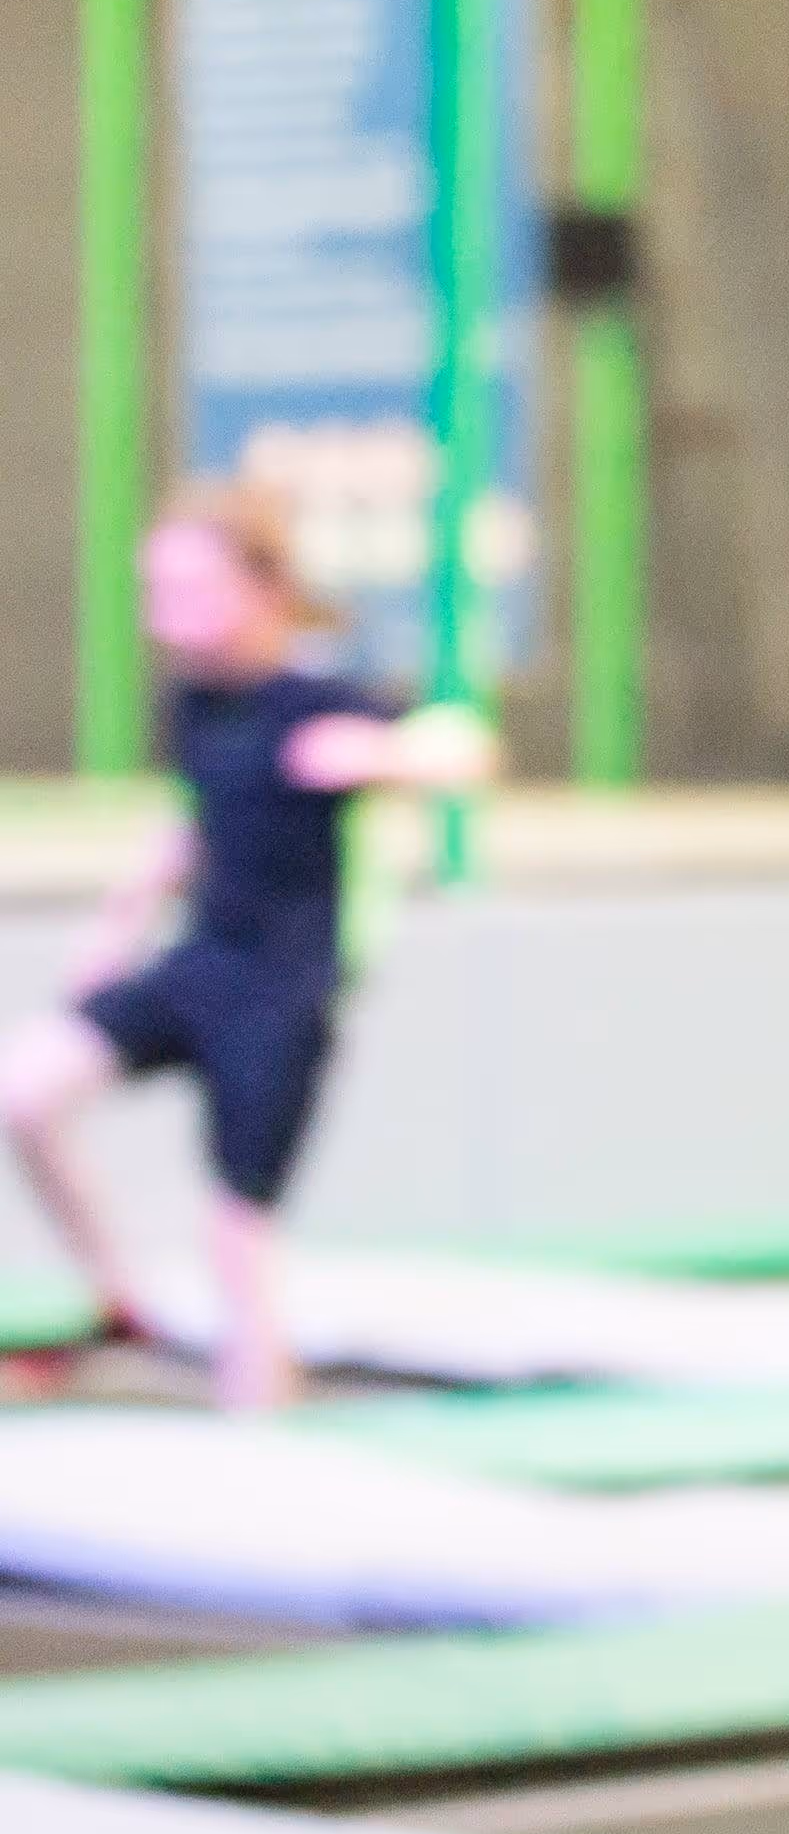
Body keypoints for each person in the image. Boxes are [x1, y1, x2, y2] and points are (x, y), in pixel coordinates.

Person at [3, 484, 495, 1413]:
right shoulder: (192, 701)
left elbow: (463, 745)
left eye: (190, 589)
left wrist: (390, 757)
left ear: (261, 592)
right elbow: (199, 821)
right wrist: (123, 916)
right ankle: (124, 1302)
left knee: (238, 1238)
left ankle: (260, 1422)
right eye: (159, 590)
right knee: (24, 1089)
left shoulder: (316, 703)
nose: (167, 613)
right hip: (198, 966)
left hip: (280, 994)